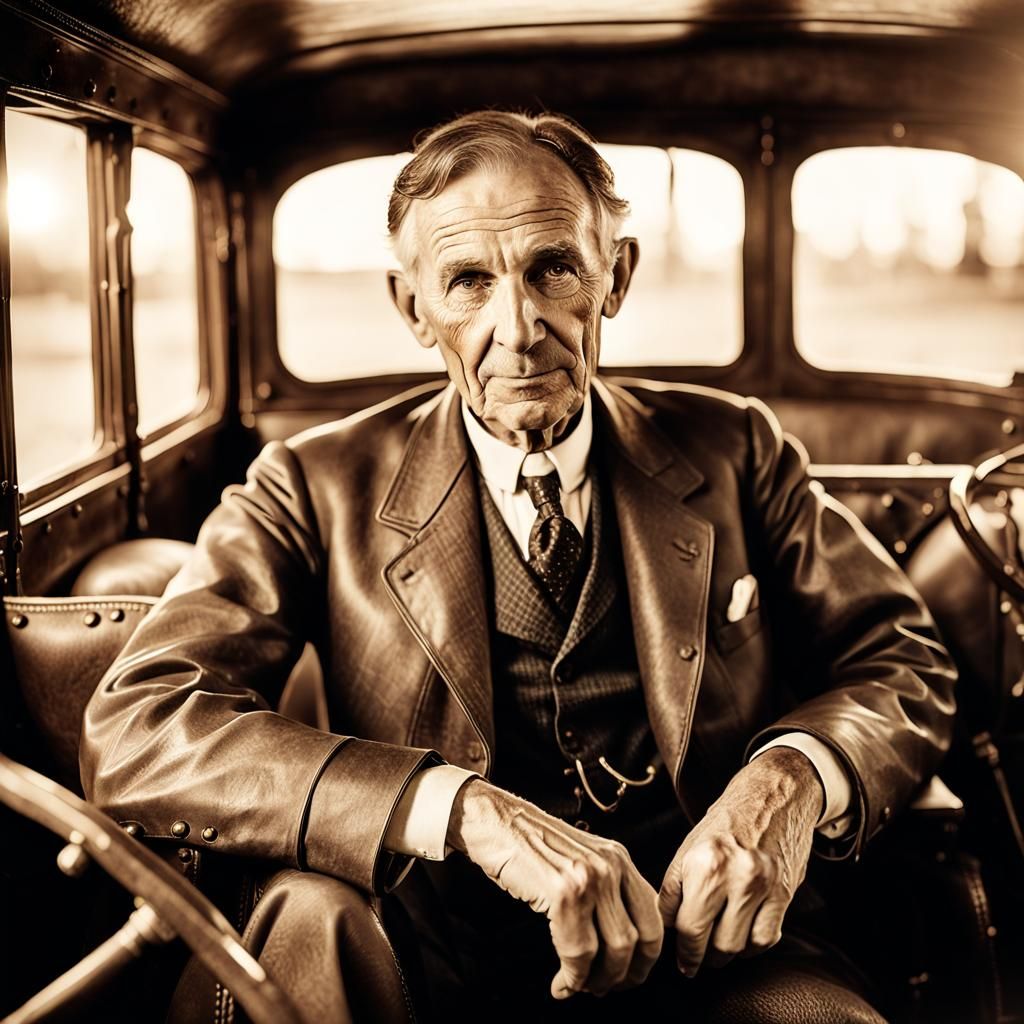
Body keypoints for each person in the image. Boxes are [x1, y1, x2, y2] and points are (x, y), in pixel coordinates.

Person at [81, 110, 956, 1023]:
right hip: (432, 963)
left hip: (722, 953)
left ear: (614, 277)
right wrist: (460, 810)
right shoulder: (311, 484)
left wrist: (791, 780)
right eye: (467, 281)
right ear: (412, 307)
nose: (519, 326)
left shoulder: (737, 447)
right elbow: (142, 722)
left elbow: (905, 659)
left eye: (553, 269)